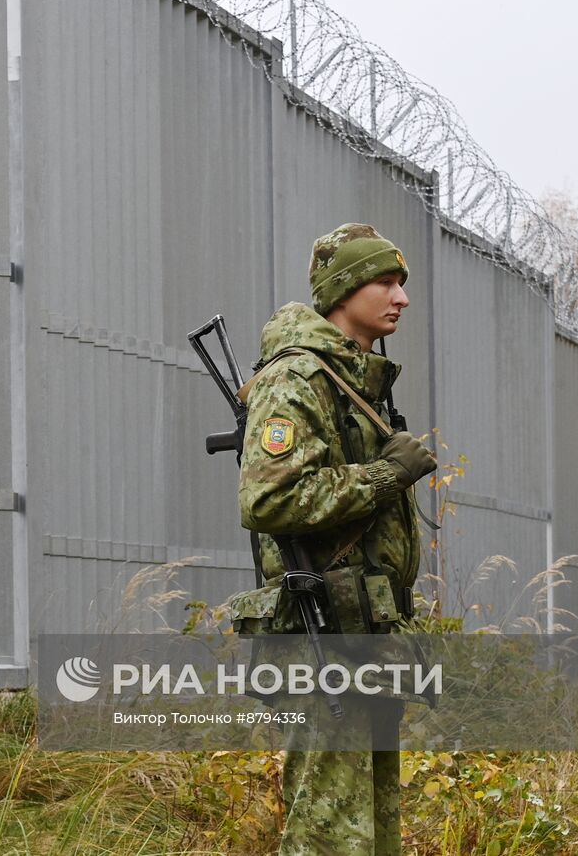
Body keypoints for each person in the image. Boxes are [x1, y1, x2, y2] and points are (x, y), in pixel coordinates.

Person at [236, 223, 437, 855]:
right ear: (343, 290)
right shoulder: (297, 379)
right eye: (385, 281)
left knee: (373, 835)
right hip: (316, 638)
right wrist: (387, 474)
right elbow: (268, 497)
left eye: (402, 283)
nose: (401, 297)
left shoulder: (356, 379)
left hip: (361, 635)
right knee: (327, 837)